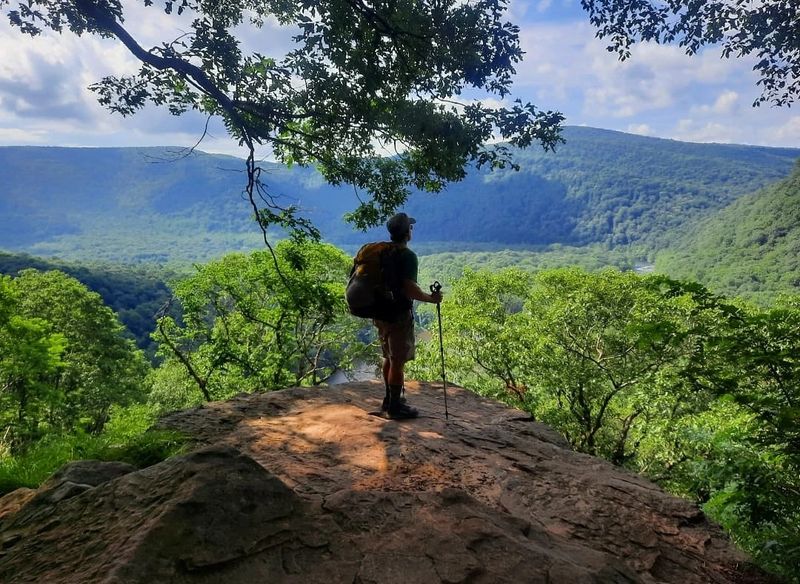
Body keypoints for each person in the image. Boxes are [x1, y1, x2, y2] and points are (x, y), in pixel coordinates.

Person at [375, 212, 442, 419]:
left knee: (388, 356)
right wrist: (432, 299)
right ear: (407, 233)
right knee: (398, 360)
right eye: (410, 228)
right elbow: (409, 288)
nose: (412, 231)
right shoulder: (407, 256)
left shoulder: (382, 252)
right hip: (398, 315)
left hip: (380, 312)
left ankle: (389, 399)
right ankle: (395, 407)